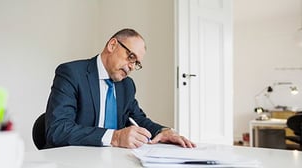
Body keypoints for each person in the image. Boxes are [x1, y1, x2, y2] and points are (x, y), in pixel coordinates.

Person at [43, 28, 196, 149]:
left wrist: (163, 131)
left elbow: (138, 119)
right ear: (112, 45)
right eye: (131, 57)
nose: (131, 67)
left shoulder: (127, 85)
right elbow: (58, 129)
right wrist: (115, 137)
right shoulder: (72, 73)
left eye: (136, 63)